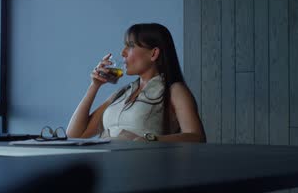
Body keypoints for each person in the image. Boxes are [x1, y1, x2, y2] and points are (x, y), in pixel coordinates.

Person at [67, 23, 206, 143]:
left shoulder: (174, 90)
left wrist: (150, 140)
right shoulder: (121, 94)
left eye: (130, 46)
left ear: (153, 54)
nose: (123, 53)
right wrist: (94, 86)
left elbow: (197, 137)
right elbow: (74, 135)